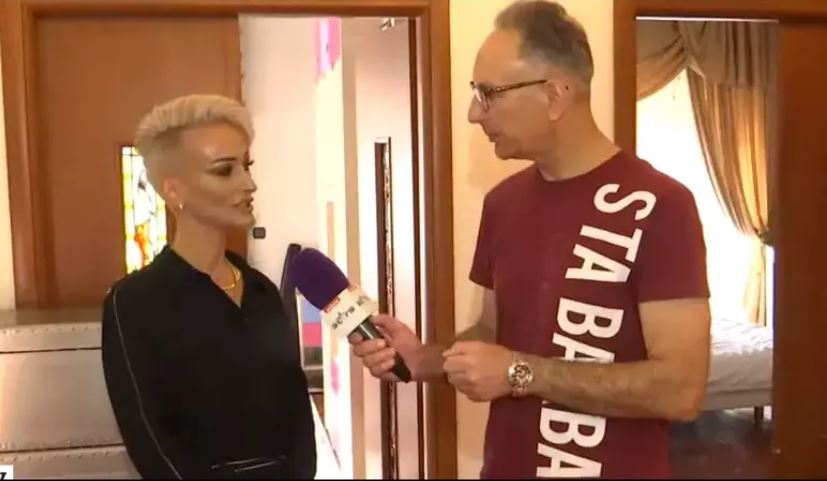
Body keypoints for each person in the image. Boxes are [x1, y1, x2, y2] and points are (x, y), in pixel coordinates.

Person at [350, 1, 711, 478]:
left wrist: (520, 372)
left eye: (489, 93)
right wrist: (421, 359)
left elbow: (681, 389)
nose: (473, 113)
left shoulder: (660, 205)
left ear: (554, 95)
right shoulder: (503, 203)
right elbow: (493, 332)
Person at [101, 94, 317, 479]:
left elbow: (296, 410)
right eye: (224, 170)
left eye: (247, 166)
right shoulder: (134, 302)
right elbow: (149, 441)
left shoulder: (262, 291)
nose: (249, 184)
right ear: (174, 191)